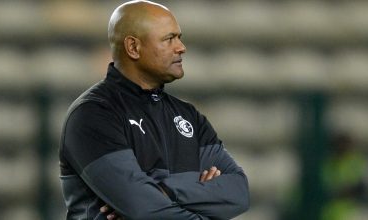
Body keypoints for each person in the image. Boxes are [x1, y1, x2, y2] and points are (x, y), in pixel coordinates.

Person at [59, 1, 249, 219]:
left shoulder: (188, 116)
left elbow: (238, 192)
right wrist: (199, 195)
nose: (181, 47)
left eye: (179, 37)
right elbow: (143, 209)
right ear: (133, 48)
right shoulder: (93, 114)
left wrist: (165, 191)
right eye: (169, 39)